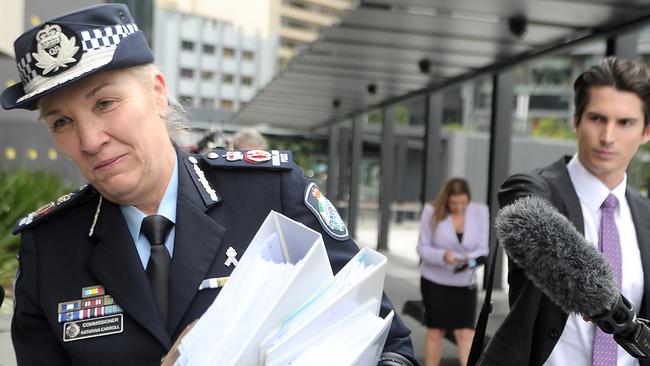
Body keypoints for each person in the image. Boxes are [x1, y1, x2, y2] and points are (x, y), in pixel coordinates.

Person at [1, 5, 417, 365]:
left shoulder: (271, 195)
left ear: (158, 94)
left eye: (105, 103)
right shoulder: (50, 248)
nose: (90, 140)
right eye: (62, 122)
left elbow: (388, 345)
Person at [480, 57, 650, 366]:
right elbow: (530, 226)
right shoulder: (532, 189)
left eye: (625, 122)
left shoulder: (646, 215)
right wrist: (623, 322)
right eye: (597, 118)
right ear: (576, 120)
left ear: (646, 131)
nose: (608, 136)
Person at [417, 178, 489, 366]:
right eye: (454, 203)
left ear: (469, 200)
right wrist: (443, 255)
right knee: (435, 331)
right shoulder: (431, 212)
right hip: (435, 281)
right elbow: (422, 248)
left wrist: (467, 259)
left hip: (465, 282)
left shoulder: (480, 212)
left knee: (466, 333)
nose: (458, 207)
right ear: (447, 199)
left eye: (463, 203)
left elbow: (483, 250)